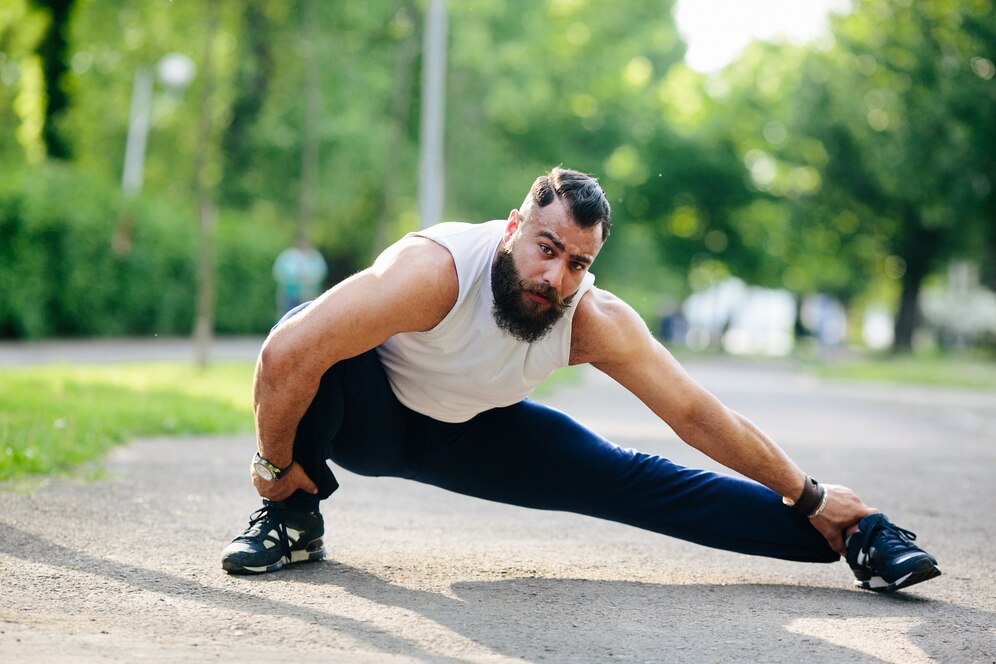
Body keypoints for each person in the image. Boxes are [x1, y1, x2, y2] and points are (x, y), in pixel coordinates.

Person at [222, 167, 940, 593]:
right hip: (367, 421)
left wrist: (808, 492)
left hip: (473, 435)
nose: (553, 275)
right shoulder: (434, 272)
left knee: (626, 477)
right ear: (512, 228)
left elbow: (695, 414)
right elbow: (286, 353)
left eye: (576, 263)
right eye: (545, 248)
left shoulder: (594, 318)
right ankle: (290, 520)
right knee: (327, 348)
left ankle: (851, 537)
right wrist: (273, 472)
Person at [272, 238, 329, 318]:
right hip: (289, 293)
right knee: (287, 315)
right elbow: (279, 272)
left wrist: (309, 280)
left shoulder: (315, 256)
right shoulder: (288, 256)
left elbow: (321, 274)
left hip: (309, 293)